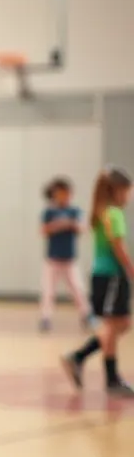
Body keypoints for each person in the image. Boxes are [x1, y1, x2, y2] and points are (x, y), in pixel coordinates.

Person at [62, 167, 134, 397]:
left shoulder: (102, 211)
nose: (129, 196)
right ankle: (110, 378)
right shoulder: (113, 213)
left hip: (103, 276)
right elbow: (118, 246)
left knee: (120, 324)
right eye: (128, 191)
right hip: (112, 275)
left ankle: (79, 358)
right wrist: (131, 271)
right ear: (118, 191)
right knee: (113, 327)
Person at [38, 176, 91, 331]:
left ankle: (86, 315)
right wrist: (57, 226)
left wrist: (70, 224)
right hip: (52, 259)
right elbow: (43, 230)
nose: (62, 197)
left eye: (65, 193)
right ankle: (45, 318)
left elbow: (83, 228)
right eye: (59, 194)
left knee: (77, 288)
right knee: (48, 290)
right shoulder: (49, 212)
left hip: (69, 259)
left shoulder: (74, 211)